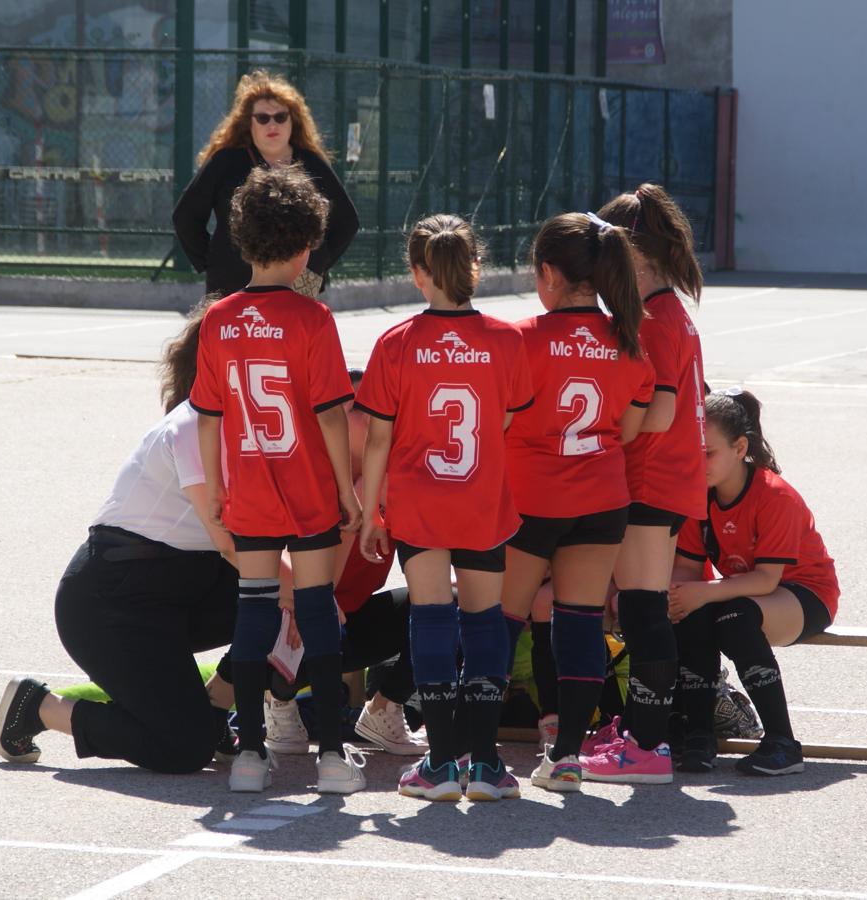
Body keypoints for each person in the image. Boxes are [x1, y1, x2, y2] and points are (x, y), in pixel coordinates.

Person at [0, 297, 243, 775]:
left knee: (278, 599)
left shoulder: (257, 427)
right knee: (182, 751)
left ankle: (214, 710)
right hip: (113, 603)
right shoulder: (191, 426)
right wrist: (302, 592)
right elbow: (232, 540)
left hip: (178, 594)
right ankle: (40, 706)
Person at [189, 165, 364, 794]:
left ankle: (250, 754)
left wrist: (215, 487)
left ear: (243, 238)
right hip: (309, 484)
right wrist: (347, 492)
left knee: (255, 615)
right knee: (318, 613)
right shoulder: (313, 319)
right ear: (304, 242)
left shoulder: (219, 319)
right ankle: (334, 756)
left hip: (251, 488)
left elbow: (207, 418)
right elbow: (330, 418)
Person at [355, 214, 534, 802]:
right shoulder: (507, 340)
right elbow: (505, 420)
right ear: (474, 267)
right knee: (485, 624)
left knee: (430, 618)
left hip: (419, 500)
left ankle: (438, 765)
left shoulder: (397, 342)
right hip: (481, 500)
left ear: (418, 273)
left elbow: (377, 439)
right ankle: (484, 764)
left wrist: (368, 512)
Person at [497, 212, 654, 792]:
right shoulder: (630, 342)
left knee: (502, 623)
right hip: (602, 498)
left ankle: (477, 756)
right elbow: (630, 429)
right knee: (581, 625)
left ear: (548, 273)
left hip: (530, 499)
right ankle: (565, 758)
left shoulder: (519, 338)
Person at [579, 184, 707, 785]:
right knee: (640, 610)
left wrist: (601, 435)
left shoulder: (656, 319)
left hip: (652, 481)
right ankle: (641, 733)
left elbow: (656, 414)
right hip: (665, 480)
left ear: (632, 254)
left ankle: (649, 744)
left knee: (643, 613)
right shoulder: (667, 310)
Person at [669, 388, 839, 775]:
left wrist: (702, 592)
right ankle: (698, 735)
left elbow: (767, 579)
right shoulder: (698, 497)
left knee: (734, 618)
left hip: (804, 593)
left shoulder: (774, 495)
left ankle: (782, 742)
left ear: (739, 446)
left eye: (708, 452)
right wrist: (678, 595)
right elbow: (687, 566)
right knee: (693, 613)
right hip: (745, 592)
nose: (698, 462)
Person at [264, 369, 428, 757]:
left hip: (350, 624)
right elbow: (303, 580)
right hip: (298, 622)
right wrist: (356, 505)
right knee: (304, 612)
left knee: (447, 605)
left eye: (377, 409)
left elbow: (427, 564)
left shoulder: (394, 480)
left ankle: (384, 709)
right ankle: (277, 700)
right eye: (356, 409)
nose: (371, 417)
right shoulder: (314, 476)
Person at [172, 70, 359, 298]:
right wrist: (211, 262)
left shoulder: (312, 163)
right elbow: (185, 216)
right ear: (248, 123)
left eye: (281, 117)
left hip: (301, 281)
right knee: (233, 333)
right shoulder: (224, 161)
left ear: (293, 121)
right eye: (263, 118)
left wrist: (318, 264)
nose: (273, 124)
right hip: (232, 280)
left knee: (297, 333)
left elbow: (347, 221)